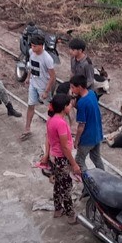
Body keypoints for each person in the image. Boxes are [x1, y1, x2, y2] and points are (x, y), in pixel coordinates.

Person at [45, 94, 81, 223]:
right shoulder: (60, 123)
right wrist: (74, 164)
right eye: (69, 104)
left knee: (58, 183)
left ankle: (58, 208)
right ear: (63, 107)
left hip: (55, 157)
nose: (71, 106)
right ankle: (70, 214)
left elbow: (49, 139)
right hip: (62, 158)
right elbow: (65, 147)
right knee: (66, 186)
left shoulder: (51, 119)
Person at [22, 32, 57, 140]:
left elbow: (52, 76)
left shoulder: (47, 59)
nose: (32, 48)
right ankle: (27, 128)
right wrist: (28, 77)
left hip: (43, 86)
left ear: (41, 45)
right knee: (30, 105)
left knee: (51, 109)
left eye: (34, 46)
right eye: (31, 45)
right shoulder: (31, 52)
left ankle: (54, 130)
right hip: (33, 83)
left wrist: (47, 91)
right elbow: (31, 67)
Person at [70, 75, 105, 171]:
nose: (72, 90)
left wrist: (76, 141)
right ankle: (104, 175)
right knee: (96, 157)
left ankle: (87, 180)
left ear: (80, 87)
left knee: (79, 161)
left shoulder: (81, 103)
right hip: (97, 134)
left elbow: (81, 126)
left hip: (87, 138)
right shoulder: (92, 93)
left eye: (73, 87)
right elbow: (89, 110)